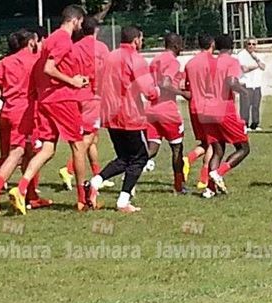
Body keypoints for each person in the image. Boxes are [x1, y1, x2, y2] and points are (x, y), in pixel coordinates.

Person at [8, 5, 90, 214]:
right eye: (81, 22)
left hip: (46, 100)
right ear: (75, 20)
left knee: (48, 149)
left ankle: (21, 189)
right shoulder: (63, 39)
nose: (81, 26)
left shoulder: (50, 39)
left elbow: (42, 68)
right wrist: (72, 81)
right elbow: (49, 68)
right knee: (78, 146)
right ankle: (82, 199)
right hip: (62, 99)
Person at [85, 26, 159, 213]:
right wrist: (157, 91)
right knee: (140, 158)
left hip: (110, 115)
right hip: (129, 115)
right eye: (141, 39)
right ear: (136, 40)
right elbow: (148, 91)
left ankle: (95, 182)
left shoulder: (109, 57)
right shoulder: (135, 58)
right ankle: (123, 200)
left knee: (125, 158)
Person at [0, 29, 52, 213]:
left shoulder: (7, 60)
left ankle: (31, 196)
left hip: (7, 111)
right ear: (31, 42)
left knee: (27, 153)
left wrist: (5, 97)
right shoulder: (34, 61)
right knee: (18, 153)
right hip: (24, 113)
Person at [57, 16, 109, 190]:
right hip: (93, 96)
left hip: (76, 95)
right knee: (88, 137)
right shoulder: (101, 48)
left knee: (93, 137)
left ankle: (98, 175)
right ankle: (68, 169)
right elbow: (107, 72)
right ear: (96, 30)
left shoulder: (74, 47)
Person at [200, 33, 251, 199]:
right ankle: (218, 173)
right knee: (243, 148)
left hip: (207, 110)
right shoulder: (231, 61)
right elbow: (231, 81)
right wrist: (244, 92)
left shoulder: (210, 62)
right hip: (223, 110)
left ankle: (210, 189)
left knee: (218, 150)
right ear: (232, 46)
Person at [145, 32, 189, 194]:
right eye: (181, 44)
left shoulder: (155, 60)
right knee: (177, 148)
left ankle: (129, 170)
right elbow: (165, 83)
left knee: (151, 149)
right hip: (167, 111)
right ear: (176, 45)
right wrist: (183, 93)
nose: (182, 47)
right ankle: (179, 185)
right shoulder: (173, 61)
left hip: (151, 109)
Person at [183, 34, 216, 190]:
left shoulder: (190, 63)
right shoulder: (213, 62)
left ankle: (188, 159)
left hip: (194, 107)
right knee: (214, 143)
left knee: (205, 142)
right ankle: (204, 178)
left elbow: (183, 86)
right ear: (212, 44)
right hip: (209, 107)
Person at [236, 38, 265, 131]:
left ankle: (255, 124)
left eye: (253, 44)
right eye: (249, 44)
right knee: (245, 105)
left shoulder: (258, 55)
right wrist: (257, 65)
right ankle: (244, 124)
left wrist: (256, 60)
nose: (251, 46)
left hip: (256, 83)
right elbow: (244, 69)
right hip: (246, 83)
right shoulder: (241, 55)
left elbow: (263, 67)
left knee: (256, 105)